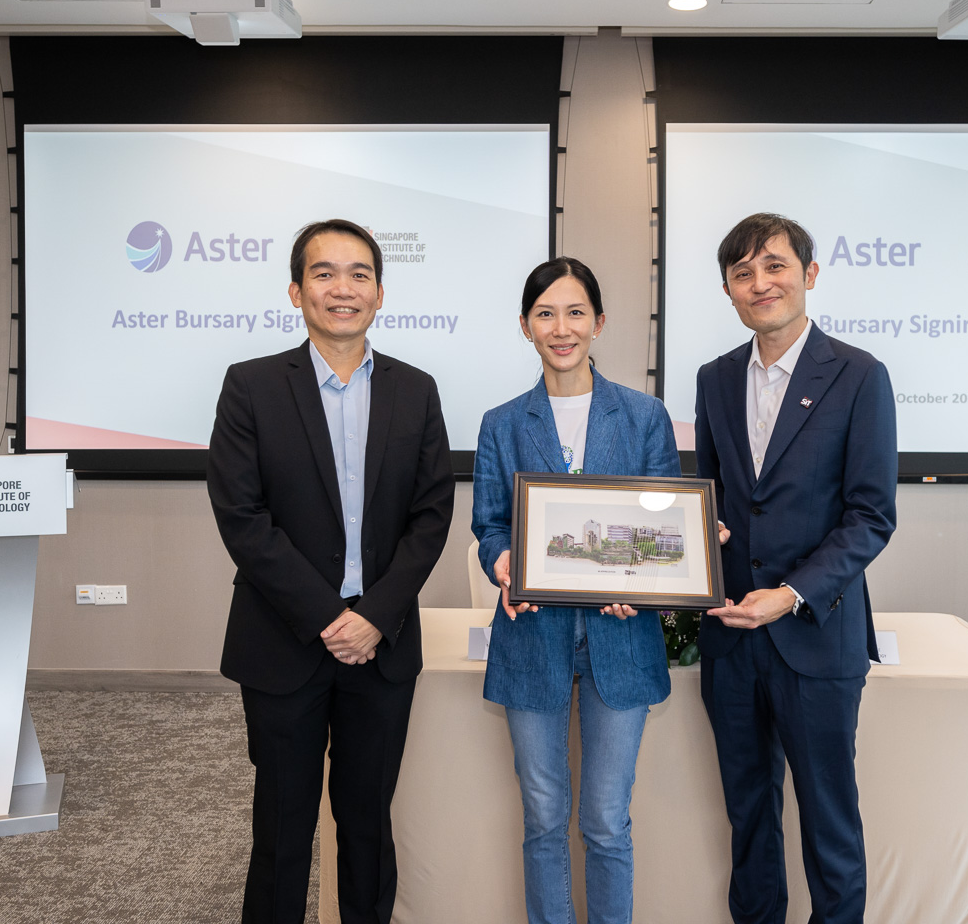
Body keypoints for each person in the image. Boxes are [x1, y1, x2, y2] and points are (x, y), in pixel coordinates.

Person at [207, 218, 455, 924]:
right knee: (282, 827)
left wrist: (372, 616)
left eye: (359, 274)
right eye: (324, 273)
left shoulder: (416, 390)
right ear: (296, 291)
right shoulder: (251, 386)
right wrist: (327, 617)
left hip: (382, 644)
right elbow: (243, 518)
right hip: (283, 641)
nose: (342, 288)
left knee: (368, 824)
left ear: (379, 293)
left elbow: (431, 515)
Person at [694, 213, 898, 924]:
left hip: (815, 634)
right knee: (748, 818)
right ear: (728, 289)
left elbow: (871, 516)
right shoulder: (715, 378)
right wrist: (705, 534)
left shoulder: (859, 376)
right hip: (731, 637)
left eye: (775, 266)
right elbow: (713, 495)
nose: (761, 283)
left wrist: (789, 594)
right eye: (743, 272)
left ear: (808, 274)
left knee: (828, 822)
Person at [471, 257, 678, 924]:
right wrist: (504, 562)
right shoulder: (502, 423)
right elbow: (491, 525)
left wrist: (641, 583)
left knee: (607, 821)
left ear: (599, 322)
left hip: (622, 637)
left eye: (575, 312)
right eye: (546, 314)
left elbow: (663, 528)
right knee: (542, 817)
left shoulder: (644, 417)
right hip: (533, 638)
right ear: (526, 326)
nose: (561, 328)